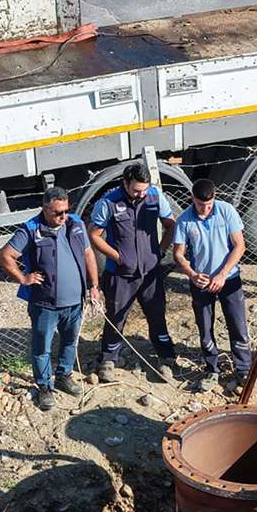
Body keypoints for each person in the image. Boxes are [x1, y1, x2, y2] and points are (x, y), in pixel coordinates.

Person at [0, 186, 101, 411]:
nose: (63, 216)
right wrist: (23, 278)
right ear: (44, 209)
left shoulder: (75, 224)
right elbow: (5, 255)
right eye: (57, 213)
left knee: (70, 342)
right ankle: (44, 386)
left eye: (66, 210)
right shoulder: (31, 230)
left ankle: (64, 375)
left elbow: (87, 253)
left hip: (75, 303)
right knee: (42, 347)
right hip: (45, 305)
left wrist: (94, 286)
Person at [89, 162, 179, 383]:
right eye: (136, 189)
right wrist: (118, 257)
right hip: (120, 275)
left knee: (157, 315)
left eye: (144, 189)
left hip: (150, 273)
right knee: (116, 317)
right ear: (125, 183)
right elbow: (93, 235)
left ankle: (166, 358)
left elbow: (171, 224)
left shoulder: (154, 197)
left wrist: (160, 250)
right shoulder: (108, 202)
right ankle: (109, 359)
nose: (141, 194)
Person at [172, 179, 252, 391]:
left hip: (229, 278)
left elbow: (240, 245)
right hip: (202, 282)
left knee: (237, 325)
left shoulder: (226, 211)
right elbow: (178, 254)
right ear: (192, 199)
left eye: (209, 205)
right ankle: (211, 369)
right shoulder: (184, 220)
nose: (205, 209)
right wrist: (191, 274)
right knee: (205, 328)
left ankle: (243, 369)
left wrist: (223, 274)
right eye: (200, 205)